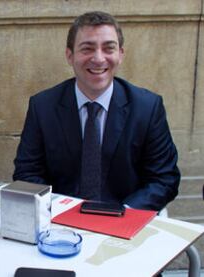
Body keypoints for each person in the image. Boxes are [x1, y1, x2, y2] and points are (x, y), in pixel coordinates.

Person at [13, 11, 180, 211]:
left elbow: (164, 179)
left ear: (120, 54)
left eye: (109, 48)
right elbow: (26, 173)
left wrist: (123, 213)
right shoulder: (42, 106)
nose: (99, 58)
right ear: (70, 55)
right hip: (60, 221)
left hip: (125, 219)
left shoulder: (147, 107)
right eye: (87, 49)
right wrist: (59, 210)